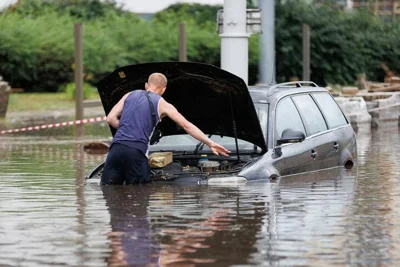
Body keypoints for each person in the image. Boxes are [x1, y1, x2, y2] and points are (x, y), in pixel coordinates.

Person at [101, 73, 230, 185]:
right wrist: (210, 143)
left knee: (110, 193)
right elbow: (187, 125)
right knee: (139, 198)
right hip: (136, 152)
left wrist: (128, 127)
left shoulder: (129, 95)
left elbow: (111, 118)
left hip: (115, 150)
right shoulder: (163, 104)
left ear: (146, 85)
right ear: (163, 89)